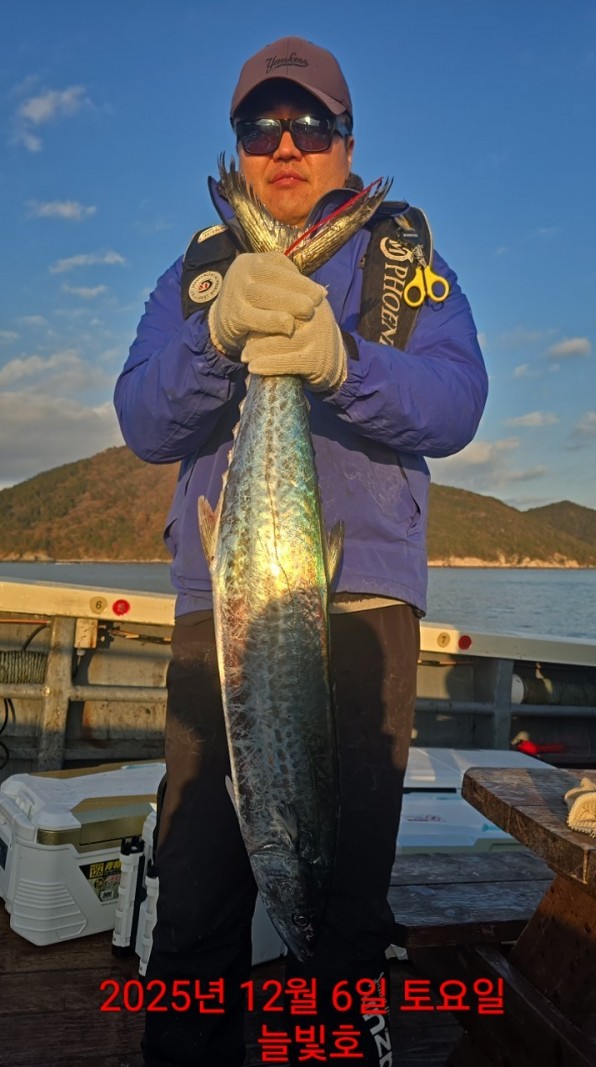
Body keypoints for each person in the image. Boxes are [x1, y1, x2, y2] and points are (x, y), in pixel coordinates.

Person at [114, 35, 488, 1067]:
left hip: (363, 609)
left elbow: (458, 399)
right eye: (261, 127)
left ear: (346, 141)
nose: (286, 145)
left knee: (348, 904)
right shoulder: (198, 271)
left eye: (310, 124)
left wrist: (342, 361)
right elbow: (142, 417)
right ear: (239, 147)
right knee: (195, 900)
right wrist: (214, 337)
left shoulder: (404, 262)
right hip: (224, 603)